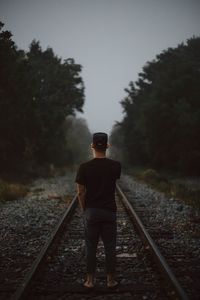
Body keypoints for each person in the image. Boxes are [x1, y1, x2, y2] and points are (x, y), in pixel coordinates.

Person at [75, 132, 121, 289]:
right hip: (109, 212)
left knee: (91, 247)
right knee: (110, 247)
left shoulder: (84, 167)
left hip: (92, 212)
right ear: (108, 146)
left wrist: (85, 210)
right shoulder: (116, 166)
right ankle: (110, 281)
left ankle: (90, 281)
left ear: (92, 146)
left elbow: (80, 192)